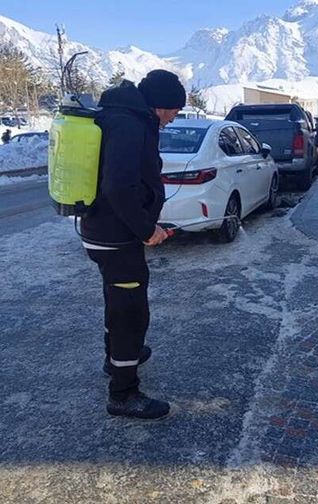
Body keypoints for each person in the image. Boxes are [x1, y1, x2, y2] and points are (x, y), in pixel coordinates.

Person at [80, 69, 187, 419]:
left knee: (118, 298)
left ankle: (118, 359)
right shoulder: (129, 125)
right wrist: (145, 230)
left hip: (104, 232)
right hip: (116, 235)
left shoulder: (121, 117)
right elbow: (118, 186)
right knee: (131, 311)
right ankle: (123, 394)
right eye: (174, 110)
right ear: (161, 104)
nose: (174, 117)